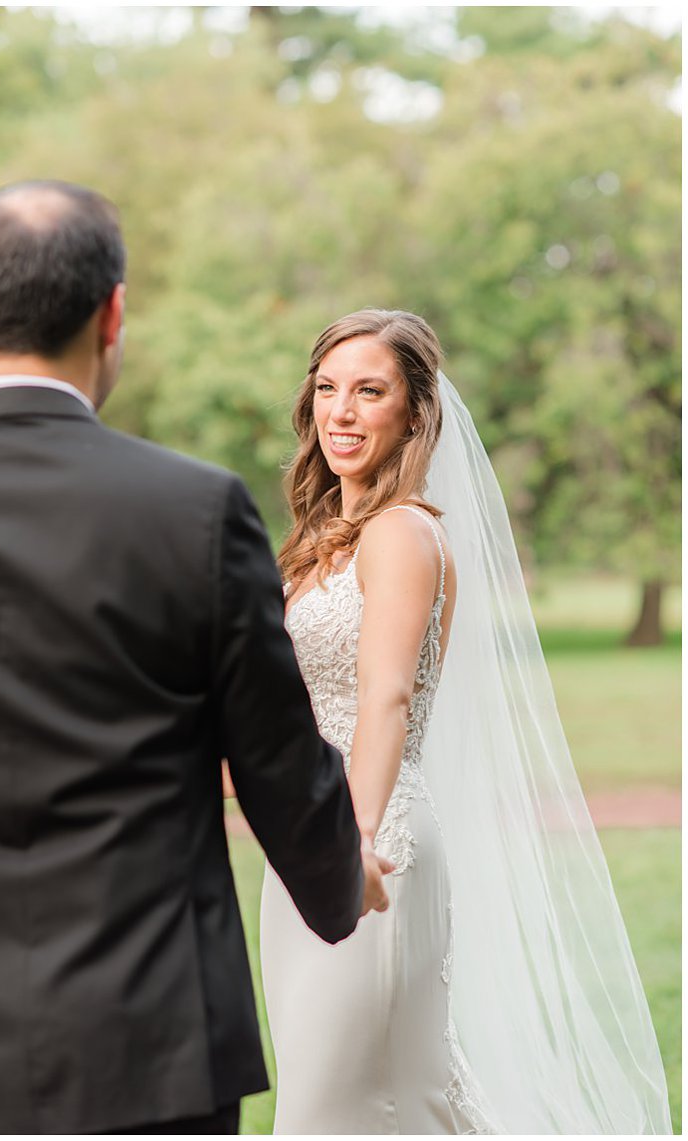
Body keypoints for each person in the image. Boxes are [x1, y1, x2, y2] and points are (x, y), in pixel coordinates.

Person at [0, 180, 391, 1135]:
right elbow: (275, 756)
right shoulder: (192, 506)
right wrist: (344, 873)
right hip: (151, 1031)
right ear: (113, 312)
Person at [261, 307, 671, 1133]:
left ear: (414, 410)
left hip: (375, 848)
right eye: (328, 389)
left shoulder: (402, 533)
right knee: (335, 1093)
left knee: (345, 1106)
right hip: (304, 847)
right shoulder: (317, 544)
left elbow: (386, 698)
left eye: (369, 391)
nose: (341, 412)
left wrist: (357, 843)